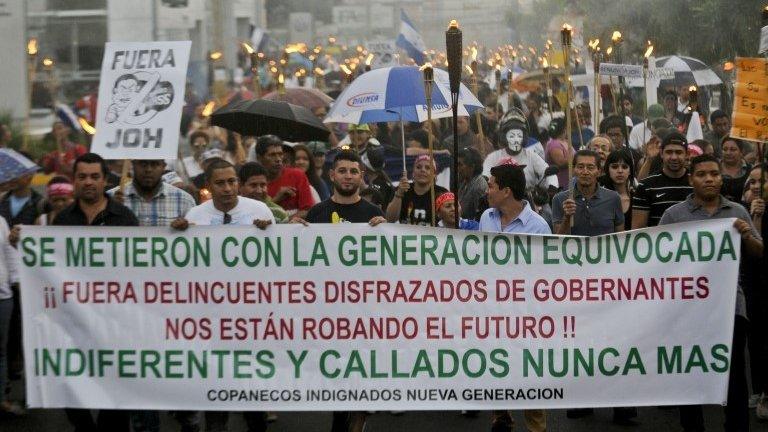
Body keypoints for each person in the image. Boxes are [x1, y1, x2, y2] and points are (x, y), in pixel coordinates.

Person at [659, 154, 763, 432]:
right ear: (691, 178)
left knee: (734, 376)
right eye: (702, 174)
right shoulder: (674, 215)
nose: (709, 179)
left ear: (721, 178)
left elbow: (758, 252)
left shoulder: (738, 212)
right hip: (688, 309)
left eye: (715, 174)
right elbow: (655, 259)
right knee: (691, 374)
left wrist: (747, 235)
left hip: (730, 308)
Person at [171, 158, 274, 432]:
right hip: (211, 320)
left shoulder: (259, 210)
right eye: (220, 183)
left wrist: (270, 234)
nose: (228, 188)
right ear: (208, 186)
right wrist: (178, 236)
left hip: (251, 318)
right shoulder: (195, 217)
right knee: (215, 395)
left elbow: (277, 259)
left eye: (232, 182)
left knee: (253, 396)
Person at [294, 150, 385, 432]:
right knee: (336, 370)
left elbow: (385, 262)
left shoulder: (373, 214)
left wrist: (386, 231)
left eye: (354, 171)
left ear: (362, 177)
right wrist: (291, 233)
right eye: (343, 171)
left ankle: (357, 421)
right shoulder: (318, 213)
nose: (348, 176)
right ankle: (341, 419)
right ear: (332, 175)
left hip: (364, 309)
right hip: (329, 310)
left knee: (359, 369)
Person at [53, 153, 138, 432]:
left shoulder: (124, 218)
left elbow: (139, 268)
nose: (88, 182)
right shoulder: (63, 220)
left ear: (105, 180)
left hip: (115, 320)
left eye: (94, 177)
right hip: (72, 318)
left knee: (116, 387)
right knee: (71, 382)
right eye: (82, 177)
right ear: (75, 180)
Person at [479, 161, 549, 432]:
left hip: (526, 314)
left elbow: (547, 273)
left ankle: (536, 426)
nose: (487, 191)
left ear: (506, 191)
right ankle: (501, 416)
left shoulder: (538, 226)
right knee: (496, 364)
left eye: (491, 186)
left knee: (530, 370)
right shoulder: (487, 218)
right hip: (492, 311)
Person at [483, 108, 557, 193]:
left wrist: (552, 186)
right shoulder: (493, 158)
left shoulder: (531, 156)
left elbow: (547, 173)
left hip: (530, 200)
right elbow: (485, 179)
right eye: (511, 135)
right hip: (500, 202)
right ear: (504, 137)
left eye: (519, 135)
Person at [552, 149, 625, 236]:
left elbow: (620, 239)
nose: (585, 172)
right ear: (573, 170)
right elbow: (557, 241)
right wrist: (567, 217)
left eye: (590, 167)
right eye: (580, 167)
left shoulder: (613, 198)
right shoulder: (560, 199)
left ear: (599, 172)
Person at [109, 160, 196, 227]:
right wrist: (108, 212)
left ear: (163, 167)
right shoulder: (110, 198)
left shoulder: (184, 200)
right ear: (133, 165)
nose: (148, 170)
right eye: (143, 164)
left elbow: (196, 237)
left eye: (155, 164)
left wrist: (186, 229)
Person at [632, 131, 692, 229]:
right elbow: (637, 230)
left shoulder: (696, 182)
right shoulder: (646, 186)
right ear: (661, 153)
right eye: (669, 152)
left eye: (678, 152)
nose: (673, 157)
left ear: (687, 154)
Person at [255, 135, 314, 219]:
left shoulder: (297, 175)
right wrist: (276, 199)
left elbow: (308, 210)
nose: (278, 159)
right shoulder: (254, 182)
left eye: (280, 154)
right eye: (272, 155)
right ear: (259, 158)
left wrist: (284, 223)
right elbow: (254, 214)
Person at [385, 155, 447, 226]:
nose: (422, 170)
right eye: (418, 167)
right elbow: (390, 219)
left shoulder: (442, 193)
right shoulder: (402, 189)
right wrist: (399, 194)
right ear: (413, 172)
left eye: (427, 168)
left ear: (434, 174)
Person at [0, 211, 20, 417]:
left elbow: (9, 255)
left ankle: (1, 399)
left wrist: (18, 282)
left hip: (3, 298)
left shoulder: (1, 222)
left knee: (1, 351)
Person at [599, 149, 636, 229]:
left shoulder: (636, 198)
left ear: (630, 171)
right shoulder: (598, 197)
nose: (620, 171)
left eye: (624, 167)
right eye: (615, 167)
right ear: (607, 169)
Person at [457, 147, 488, 220]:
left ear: (472, 166)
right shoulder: (464, 182)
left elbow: (479, 217)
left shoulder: (479, 187)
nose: (457, 168)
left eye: (460, 165)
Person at [720, 137, 751, 203]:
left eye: (733, 149)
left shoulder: (750, 170)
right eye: (725, 149)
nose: (728, 153)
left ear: (741, 152)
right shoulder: (714, 169)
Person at [545, 116, 572, 190]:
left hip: (569, 182)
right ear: (563, 129)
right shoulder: (554, 144)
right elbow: (560, 162)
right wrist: (577, 158)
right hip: (560, 184)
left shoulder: (566, 141)